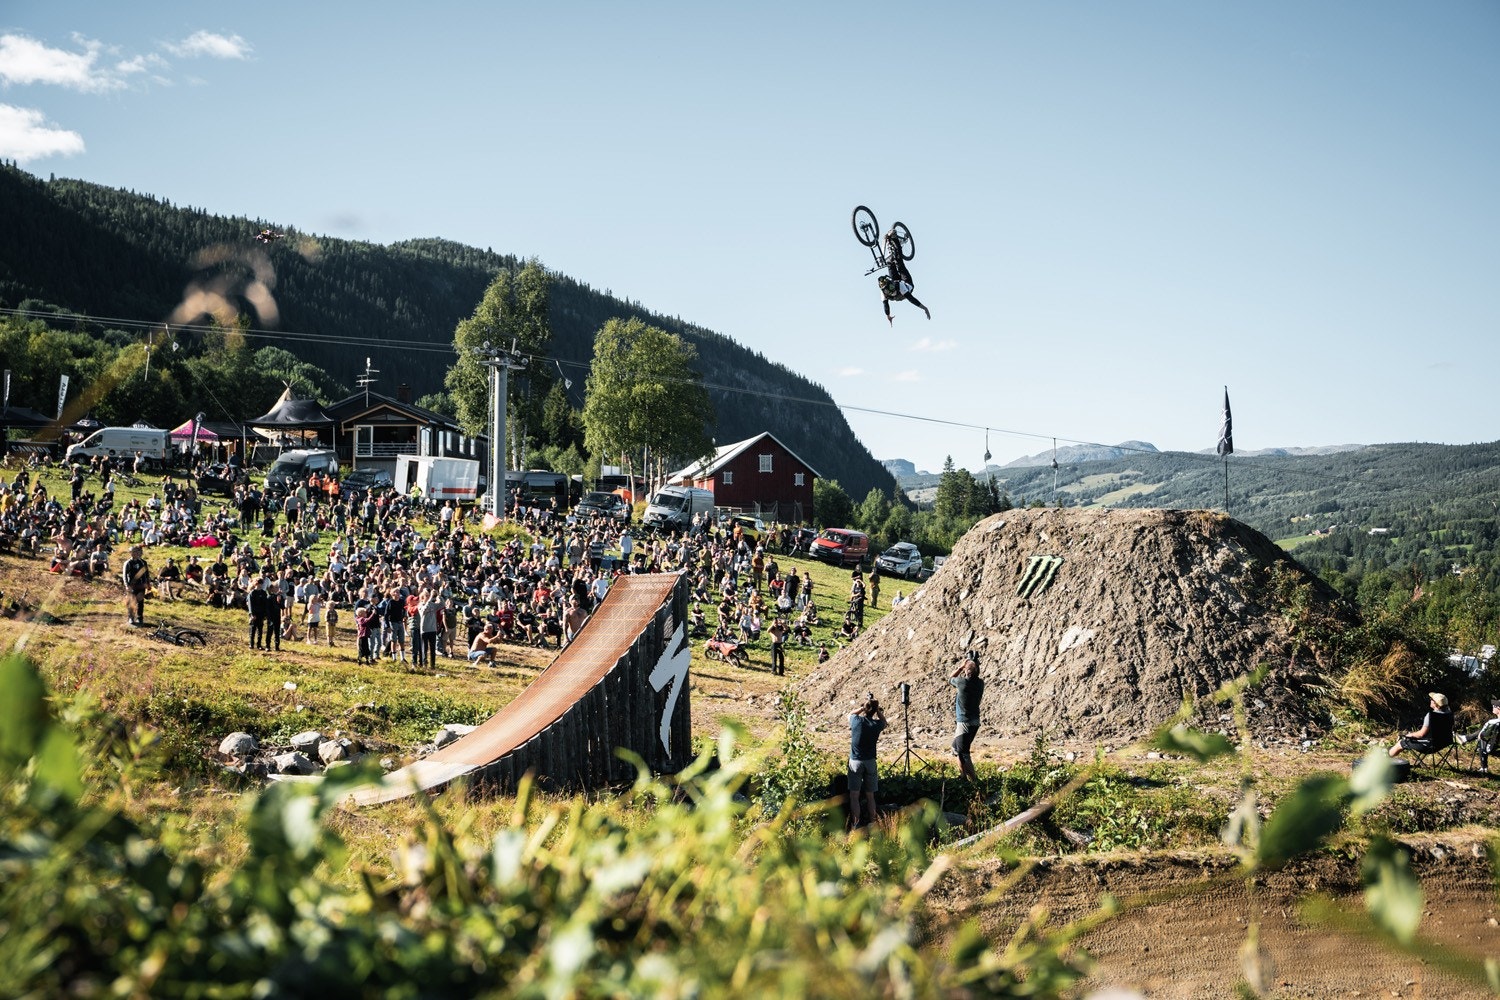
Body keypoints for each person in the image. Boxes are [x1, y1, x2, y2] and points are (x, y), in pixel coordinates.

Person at [848, 693, 887, 829]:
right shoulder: (876, 724)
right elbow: (885, 722)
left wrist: (862, 708)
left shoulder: (856, 721)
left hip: (855, 761)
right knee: (870, 796)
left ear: (865, 709)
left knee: (854, 795)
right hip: (870, 761)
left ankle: (855, 824)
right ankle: (873, 823)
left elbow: (851, 713)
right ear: (874, 711)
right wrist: (878, 711)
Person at [878, 229, 930, 325]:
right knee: (899, 263)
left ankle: (891, 247)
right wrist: (924, 308)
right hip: (908, 285)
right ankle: (895, 238)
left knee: (890, 264)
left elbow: (886, 306)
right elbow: (911, 299)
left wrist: (888, 316)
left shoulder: (892, 286)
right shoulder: (890, 290)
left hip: (900, 285)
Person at [950, 651, 984, 780]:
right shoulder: (980, 683)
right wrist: (972, 665)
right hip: (975, 721)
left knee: (964, 753)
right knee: (956, 748)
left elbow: (950, 678)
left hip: (964, 722)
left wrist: (961, 667)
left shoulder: (962, 683)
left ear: (966, 671)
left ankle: (975, 781)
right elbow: (974, 673)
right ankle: (963, 776)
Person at [1389, 692, 1454, 760]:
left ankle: (1387, 756)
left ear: (1435, 703)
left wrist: (1410, 735)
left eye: (1431, 699)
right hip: (1442, 744)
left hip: (1428, 745)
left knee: (1401, 743)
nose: (1430, 700)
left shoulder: (1431, 716)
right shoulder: (1449, 715)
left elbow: (1421, 734)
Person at [1457, 700, 1500, 775]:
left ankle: (1484, 768)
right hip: (1496, 745)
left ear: (1499, 708)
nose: (1492, 707)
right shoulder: (1496, 722)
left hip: (1490, 746)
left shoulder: (1493, 722)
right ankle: (1465, 738)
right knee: (1482, 735)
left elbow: (1484, 735)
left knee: (1482, 739)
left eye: (1494, 706)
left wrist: (1480, 735)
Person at [121, 544, 151, 627]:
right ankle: (131, 617)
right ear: (130, 553)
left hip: (141, 585)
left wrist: (148, 584)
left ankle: (140, 617)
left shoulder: (142, 562)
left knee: (140, 602)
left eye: (136, 551)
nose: (135, 553)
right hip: (132, 586)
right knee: (132, 602)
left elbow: (146, 574)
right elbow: (124, 575)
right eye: (133, 552)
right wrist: (127, 586)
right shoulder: (128, 563)